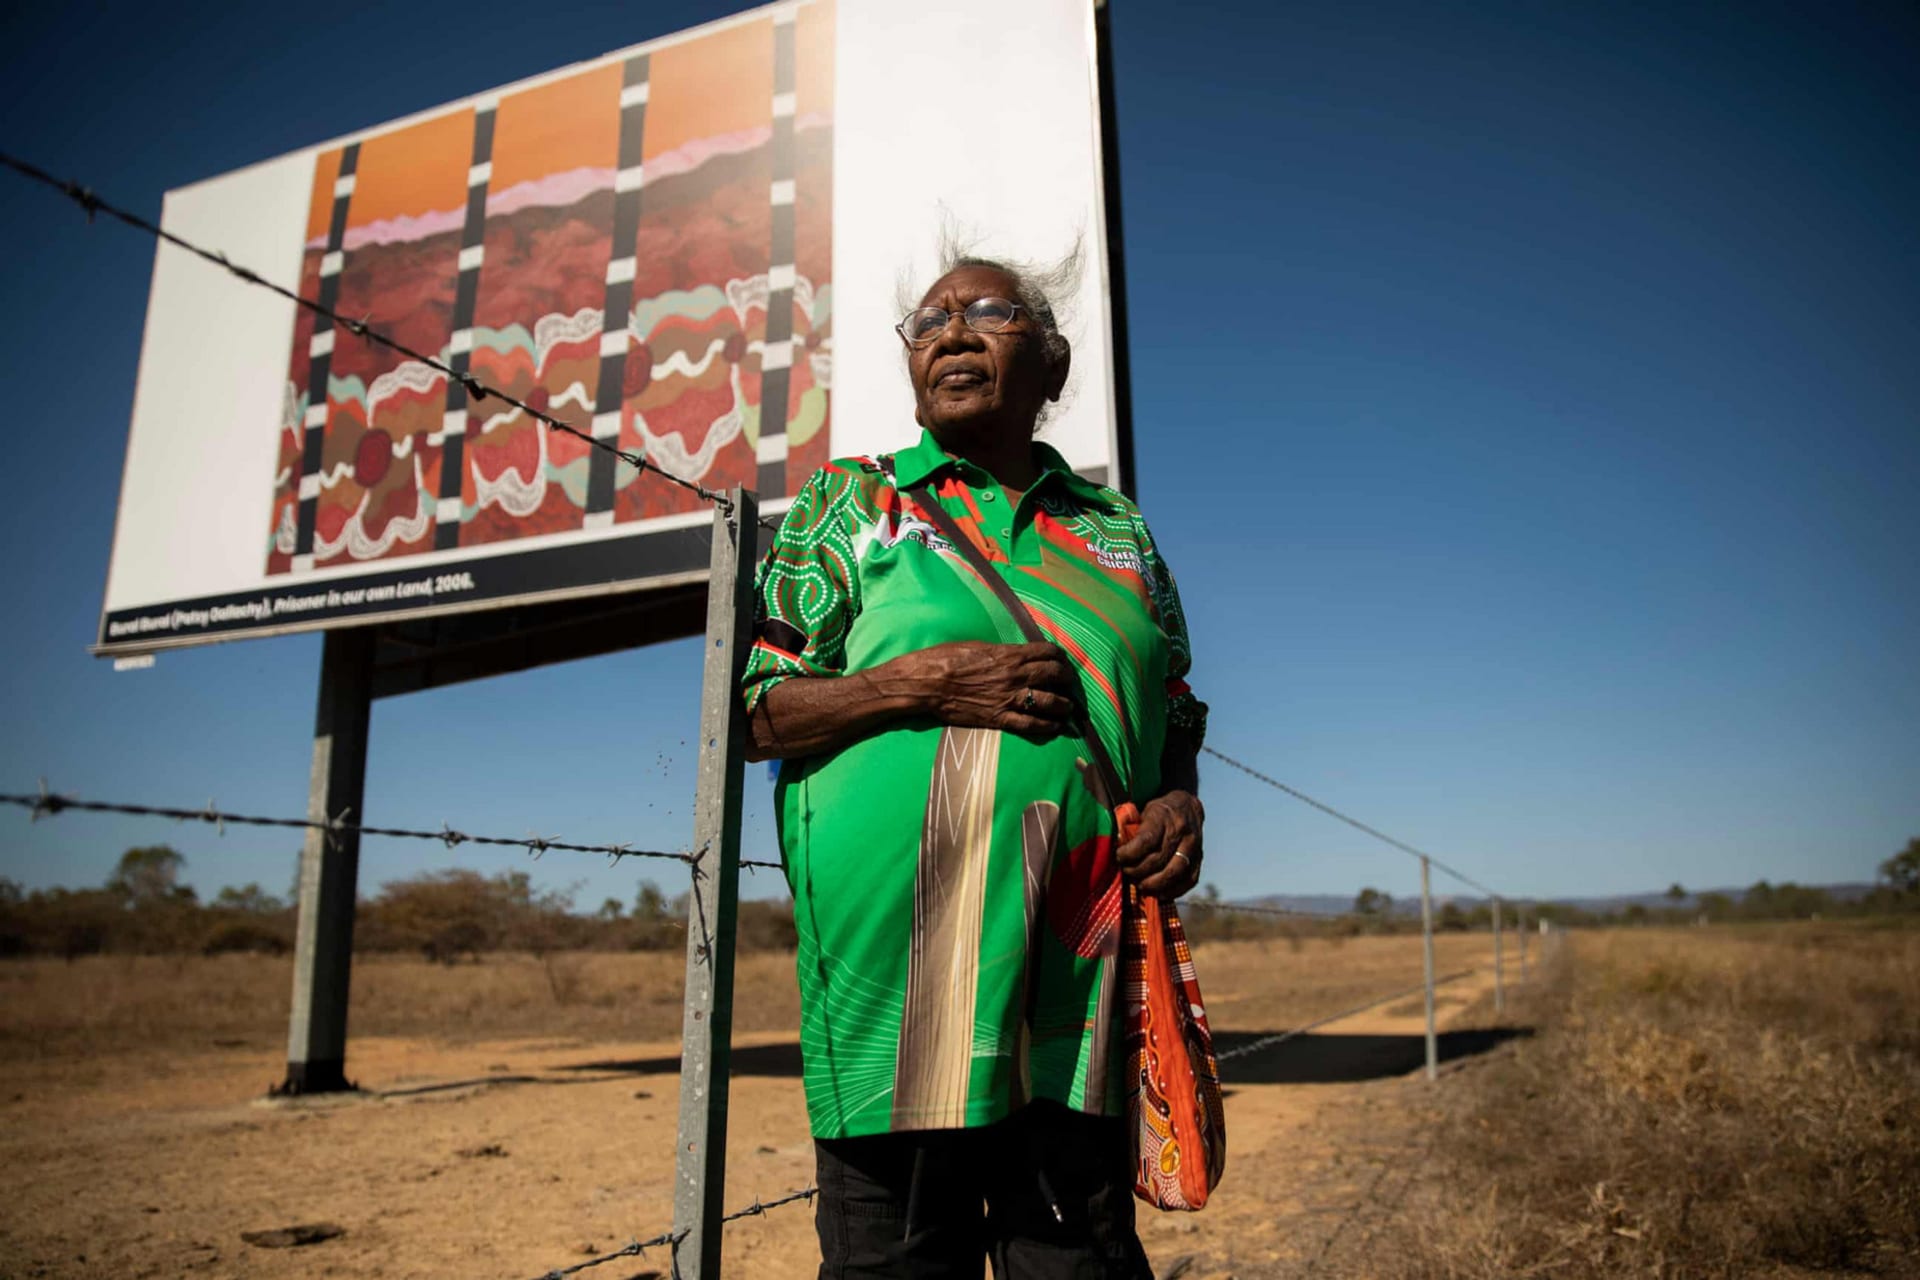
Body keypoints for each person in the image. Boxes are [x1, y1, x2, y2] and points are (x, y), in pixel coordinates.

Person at [740, 246, 1207, 1279]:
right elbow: (758, 707)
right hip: (900, 980)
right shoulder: (849, 501)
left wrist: (1179, 793)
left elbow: (1173, 699)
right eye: (927, 319)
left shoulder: (1116, 529)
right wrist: (921, 684)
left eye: (987, 311)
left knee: (1076, 1257)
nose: (950, 330)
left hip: (1076, 974)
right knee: (900, 1262)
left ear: (1050, 359)